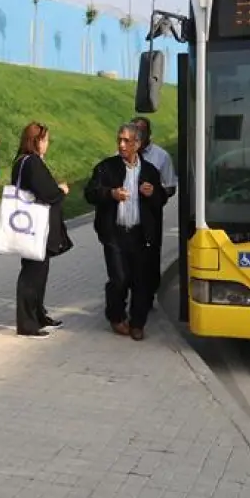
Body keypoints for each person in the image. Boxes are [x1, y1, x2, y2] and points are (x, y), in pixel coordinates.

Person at [84, 122, 166, 341]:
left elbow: (160, 201)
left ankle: (138, 323)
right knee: (119, 278)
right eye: (119, 139)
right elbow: (90, 193)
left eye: (126, 141)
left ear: (137, 144)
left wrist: (153, 193)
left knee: (141, 280)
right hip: (114, 233)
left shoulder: (150, 171)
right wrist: (110, 194)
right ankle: (116, 316)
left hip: (140, 235)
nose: (121, 144)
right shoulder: (106, 167)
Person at [9, 122, 74, 339]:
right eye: (45, 140)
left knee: (39, 271)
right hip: (35, 227)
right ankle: (27, 323)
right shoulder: (32, 162)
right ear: (36, 141)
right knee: (32, 273)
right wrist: (61, 190)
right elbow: (47, 193)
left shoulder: (22, 161)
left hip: (31, 225)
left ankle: (38, 314)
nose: (47, 144)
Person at [130, 116, 176, 309]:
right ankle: (133, 298)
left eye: (141, 131)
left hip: (151, 217)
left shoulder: (161, 156)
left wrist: (154, 193)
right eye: (134, 131)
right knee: (129, 260)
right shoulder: (121, 154)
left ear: (149, 134)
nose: (137, 135)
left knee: (150, 259)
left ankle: (148, 298)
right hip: (128, 218)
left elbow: (171, 186)